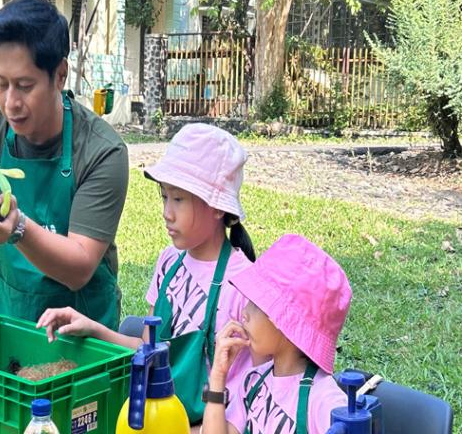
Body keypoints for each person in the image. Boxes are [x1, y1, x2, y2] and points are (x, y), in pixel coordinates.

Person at [37, 123, 261, 430]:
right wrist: (92, 328)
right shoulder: (170, 262)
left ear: (217, 206)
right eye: (164, 197)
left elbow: (248, 401)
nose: (167, 212)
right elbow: (147, 349)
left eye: (178, 199)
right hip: (159, 417)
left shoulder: (244, 285)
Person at [0, 0, 129, 329]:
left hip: (85, 332)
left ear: (59, 75)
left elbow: (80, 268)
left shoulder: (102, 151)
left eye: (25, 86)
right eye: (1, 84)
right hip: (12, 324)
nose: (10, 102)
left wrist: (18, 229)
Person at [202, 234, 352, 434]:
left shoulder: (324, 401)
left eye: (256, 304)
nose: (244, 313)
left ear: (287, 321)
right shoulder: (254, 381)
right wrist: (218, 377)